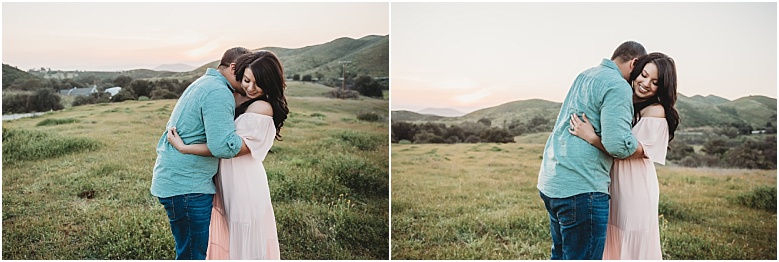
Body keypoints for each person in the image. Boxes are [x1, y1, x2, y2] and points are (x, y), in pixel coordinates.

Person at [166, 50, 289, 260]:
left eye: (258, 84)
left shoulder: (262, 107)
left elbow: (229, 149)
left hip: (243, 182)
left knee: (244, 239)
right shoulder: (234, 95)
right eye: (247, 80)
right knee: (229, 237)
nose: (250, 88)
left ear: (269, 84)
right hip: (228, 179)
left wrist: (186, 148)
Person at [536, 41, 647, 260]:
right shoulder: (618, 85)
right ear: (634, 63)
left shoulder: (585, 74)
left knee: (560, 255)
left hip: (553, 180)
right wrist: (644, 148)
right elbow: (618, 145)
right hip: (582, 188)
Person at [569, 52, 679, 259]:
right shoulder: (623, 100)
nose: (645, 83)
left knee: (628, 242)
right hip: (611, 182)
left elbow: (629, 152)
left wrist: (591, 138)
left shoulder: (655, 111)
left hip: (633, 186)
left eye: (655, 82)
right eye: (644, 75)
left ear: (662, 88)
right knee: (611, 241)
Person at [150, 47, 252, 260]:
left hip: (180, 182)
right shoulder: (218, 92)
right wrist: (254, 142)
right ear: (234, 68)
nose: (247, 83)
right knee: (192, 256)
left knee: (190, 251)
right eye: (246, 76)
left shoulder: (207, 83)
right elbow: (222, 147)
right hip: (187, 187)